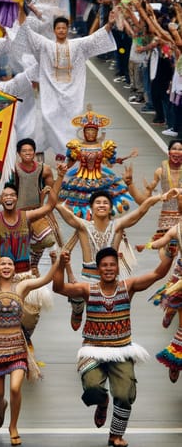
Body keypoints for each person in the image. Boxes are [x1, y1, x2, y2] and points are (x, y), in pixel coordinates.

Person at [53, 247, 174, 447]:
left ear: (117, 268)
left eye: (112, 265)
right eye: (104, 265)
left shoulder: (129, 286)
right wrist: (59, 264)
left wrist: (170, 255)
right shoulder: (87, 290)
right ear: (98, 269)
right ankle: (102, 403)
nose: (108, 268)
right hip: (93, 349)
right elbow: (58, 288)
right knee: (92, 388)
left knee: (125, 394)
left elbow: (157, 274)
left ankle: (115, 436)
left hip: (121, 350)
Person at [0, 252, 59, 446]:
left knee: (15, 388)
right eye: (2, 264)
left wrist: (57, 262)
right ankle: (1, 405)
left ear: (14, 268)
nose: (6, 266)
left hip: (17, 345)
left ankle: (13, 426)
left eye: (9, 264)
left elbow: (47, 279)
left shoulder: (22, 286)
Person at [56, 185, 171, 330]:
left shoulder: (117, 226)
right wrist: (52, 188)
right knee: (77, 301)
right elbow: (59, 208)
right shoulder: (82, 226)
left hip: (110, 279)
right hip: (86, 279)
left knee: (106, 316)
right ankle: (77, 309)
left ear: (110, 207)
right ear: (91, 207)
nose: (102, 205)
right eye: (98, 202)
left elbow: (140, 211)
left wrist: (160, 197)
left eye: (105, 203)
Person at [16, 5, 118, 155]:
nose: (62, 30)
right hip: (51, 92)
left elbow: (95, 38)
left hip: (72, 94)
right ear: (54, 31)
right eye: (59, 28)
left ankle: (69, 152)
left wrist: (109, 24)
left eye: (64, 28)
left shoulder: (78, 45)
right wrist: (20, 8)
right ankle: (43, 149)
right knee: (47, 116)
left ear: (67, 29)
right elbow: (27, 32)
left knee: (71, 122)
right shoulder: (46, 46)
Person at [58, 108, 136, 220]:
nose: (90, 134)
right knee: (79, 210)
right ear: (83, 133)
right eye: (88, 131)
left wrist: (121, 159)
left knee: (104, 205)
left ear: (97, 133)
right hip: (80, 179)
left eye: (93, 132)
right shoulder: (76, 146)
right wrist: (63, 166)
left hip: (100, 178)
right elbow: (70, 162)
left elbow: (109, 163)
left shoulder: (103, 147)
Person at [139, 221, 182, 382]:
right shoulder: (178, 228)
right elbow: (161, 242)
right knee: (176, 311)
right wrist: (149, 245)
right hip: (180, 277)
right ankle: (175, 360)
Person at [12, 138, 57, 274]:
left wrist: (49, 210)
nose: (27, 153)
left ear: (35, 152)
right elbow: (7, 192)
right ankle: (22, 269)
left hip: (37, 211)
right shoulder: (13, 169)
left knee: (47, 240)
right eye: (24, 151)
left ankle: (34, 265)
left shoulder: (44, 169)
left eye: (30, 150)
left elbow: (52, 192)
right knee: (17, 245)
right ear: (19, 153)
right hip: (18, 213)